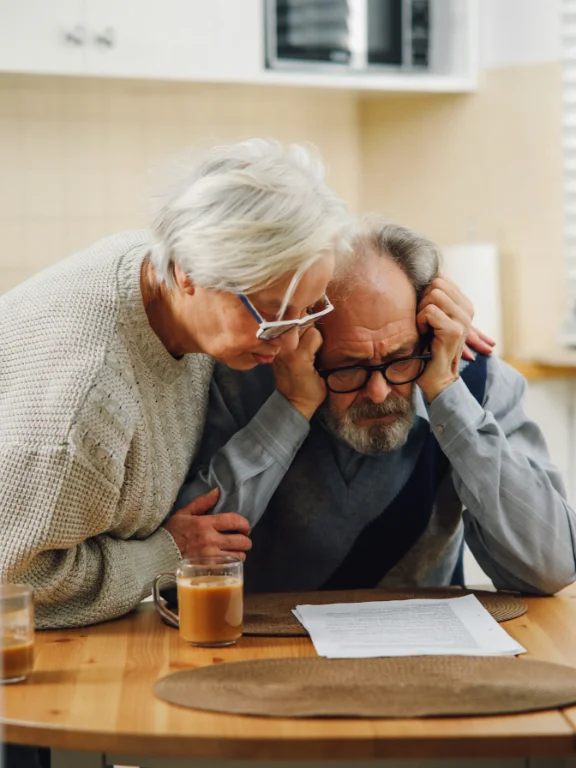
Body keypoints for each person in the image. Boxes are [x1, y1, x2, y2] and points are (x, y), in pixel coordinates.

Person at [0, 138, 352, 630]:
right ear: (189, 271)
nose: (292, 341)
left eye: (309, 309)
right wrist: (168, 553)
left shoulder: (160, 277)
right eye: (273, 314)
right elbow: (14, 580)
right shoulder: (88, 401)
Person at [175, 217, 576, 595]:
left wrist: (448, 396)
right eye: (349, 366)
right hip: (266, 638)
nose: (380, 392)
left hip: (428, 637)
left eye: (400, 358)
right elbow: (187, 559)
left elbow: (551, 567)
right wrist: (291, 407)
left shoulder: (473, 380)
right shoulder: (244, 378)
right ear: (305, 339)